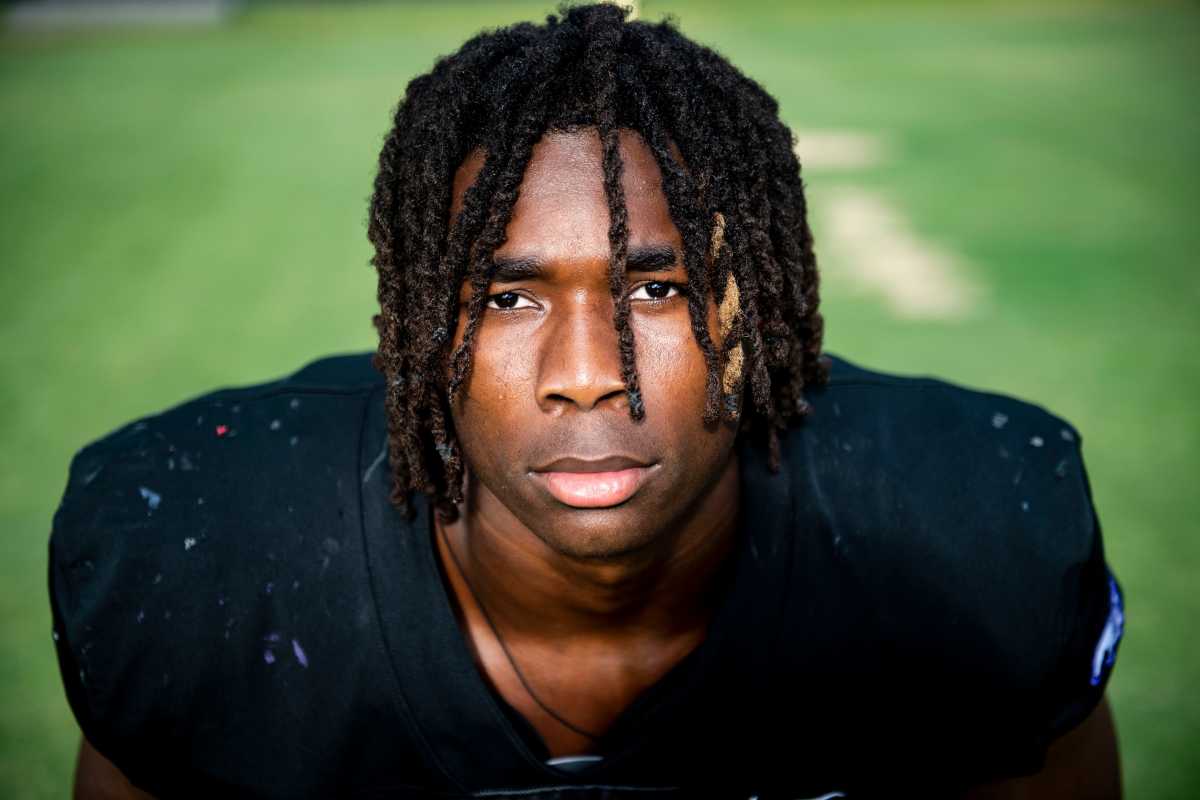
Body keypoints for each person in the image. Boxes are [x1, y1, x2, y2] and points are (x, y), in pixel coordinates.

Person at [50, 3, 1124, 798]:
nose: (586, 369)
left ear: (759, 309)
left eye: (659, 290)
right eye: (508, 297)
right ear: (420, 326)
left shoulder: (975, 532)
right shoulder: (195, 549)